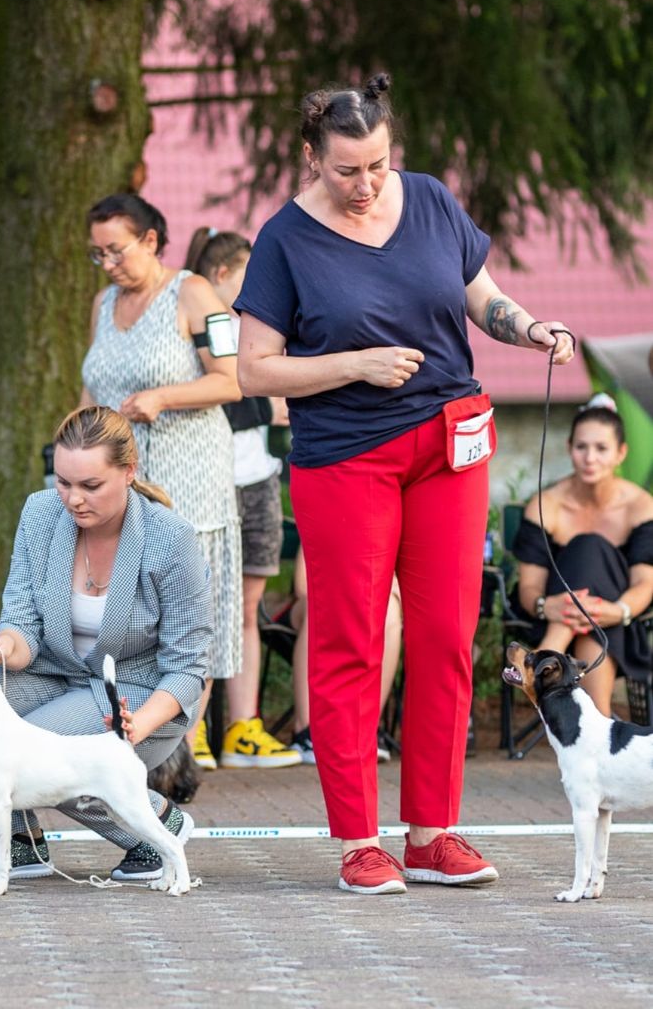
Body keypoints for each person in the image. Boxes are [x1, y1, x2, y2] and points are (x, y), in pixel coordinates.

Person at [234, 73, 575, 895]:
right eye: (347, 170)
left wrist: (528, 329)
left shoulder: (426, 200)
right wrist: (353, 364)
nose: (366, 184)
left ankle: (432, 833)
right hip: (346, 455)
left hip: (447, 446)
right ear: (311, 157)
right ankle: (359, 840)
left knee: (446, 638)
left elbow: (477, 295)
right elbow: (252, 367)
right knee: (351, 641)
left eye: (378, 165)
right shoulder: (283, 239)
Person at [0, 406, 212, 883]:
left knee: (39, 751)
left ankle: (151, 830)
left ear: (129, 471)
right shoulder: (40, 513)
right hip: (53, 673)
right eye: (63, 482)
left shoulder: (172, 539)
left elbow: (189, 665)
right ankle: (20, 845)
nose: (72, 499)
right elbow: (22, 624)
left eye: (90, 486)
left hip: (138, 693)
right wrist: (2, 645)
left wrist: (138, 723)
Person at [80, 194, 244, 756]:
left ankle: (178, 751)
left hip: (186, 480)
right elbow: (91, 387)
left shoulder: (193, 292)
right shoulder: (103, 303)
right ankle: (128, 736)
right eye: (97, 254)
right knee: (128, 617)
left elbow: (233, 380)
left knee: (185, 617)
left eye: (116, 250)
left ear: (151, 240)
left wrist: (164, 397)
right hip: (118, 486)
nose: (107, 264)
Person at [184, 226, 300, 769]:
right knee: (204, 611)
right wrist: (261, 402)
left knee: (248, 608)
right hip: (212, 486)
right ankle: (192, 731)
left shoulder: (246, 328)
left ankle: (242, 728)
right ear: (223, 275)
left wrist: (274, 401)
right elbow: (224, 394)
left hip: (258, 482)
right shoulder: (201, 324)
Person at [513, 394, 653, 716]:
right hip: (549, 613)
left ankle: (545, 659)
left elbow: (645, 583)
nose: (590, 458)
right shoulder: (546, 504)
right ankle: (599, 722)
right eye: (582, 447)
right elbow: (529, 588)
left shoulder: (640, 506)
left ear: (621, 453)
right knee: (585, 556)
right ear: (569, 448)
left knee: (590, 550)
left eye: (601, 449)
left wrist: (616, 611)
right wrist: (546, 604)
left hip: (619, 620)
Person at [286, 546, 401, 766]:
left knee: (391, 610)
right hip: (313, 605)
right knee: (320, 605)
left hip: (366, 607)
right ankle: (306, 732)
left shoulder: (388, 528)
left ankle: (367, 729)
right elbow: (302, 586)